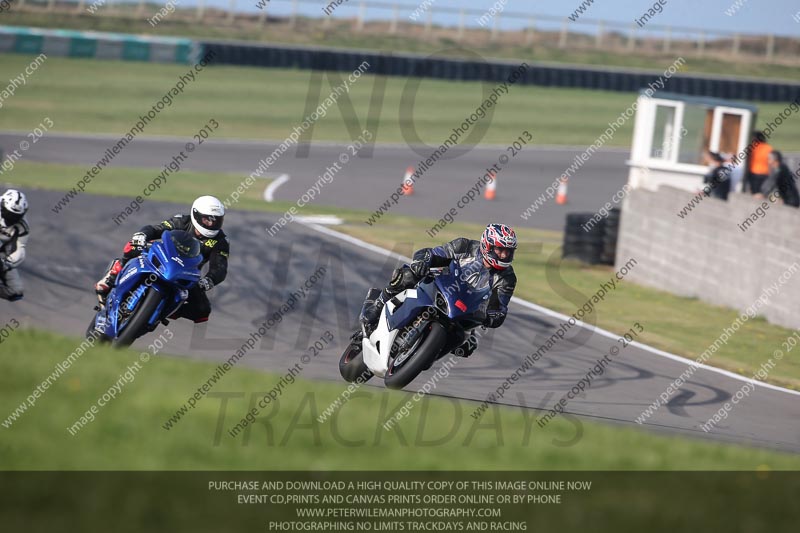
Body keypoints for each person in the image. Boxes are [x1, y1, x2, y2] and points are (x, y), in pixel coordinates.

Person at [362, 223, 518, 357]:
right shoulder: (465, 246)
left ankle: (427, 354)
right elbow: (432, 253)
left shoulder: (507, 278)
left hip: (464, 310)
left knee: (468, 346)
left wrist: (493, 317)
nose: (504, 255)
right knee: (408, 275)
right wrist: (422, 262)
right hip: (440, 284)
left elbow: (499, 306)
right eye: (500, 250)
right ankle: (377, 306)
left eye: (508, 251)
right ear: (487, 245)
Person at [95, 196, 229, 323]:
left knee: (203, 310)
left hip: (186, 274)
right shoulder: (182, 220)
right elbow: (155, 229)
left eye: (216, 220)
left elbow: (220, 268)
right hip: (162, 258)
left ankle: (164, 312)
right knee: (133, 246)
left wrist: (208, 280)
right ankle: (111, 277)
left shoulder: (221, 241)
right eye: (207, 219)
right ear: (196, 215)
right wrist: (142, 235)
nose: (211, 223)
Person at [0, 189, 29, 302]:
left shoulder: (22, 227)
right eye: (9, 214)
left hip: (2, 257)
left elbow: (20, 249)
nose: (11, 218)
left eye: (15, 216)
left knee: (15, 292)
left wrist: (9, 261)